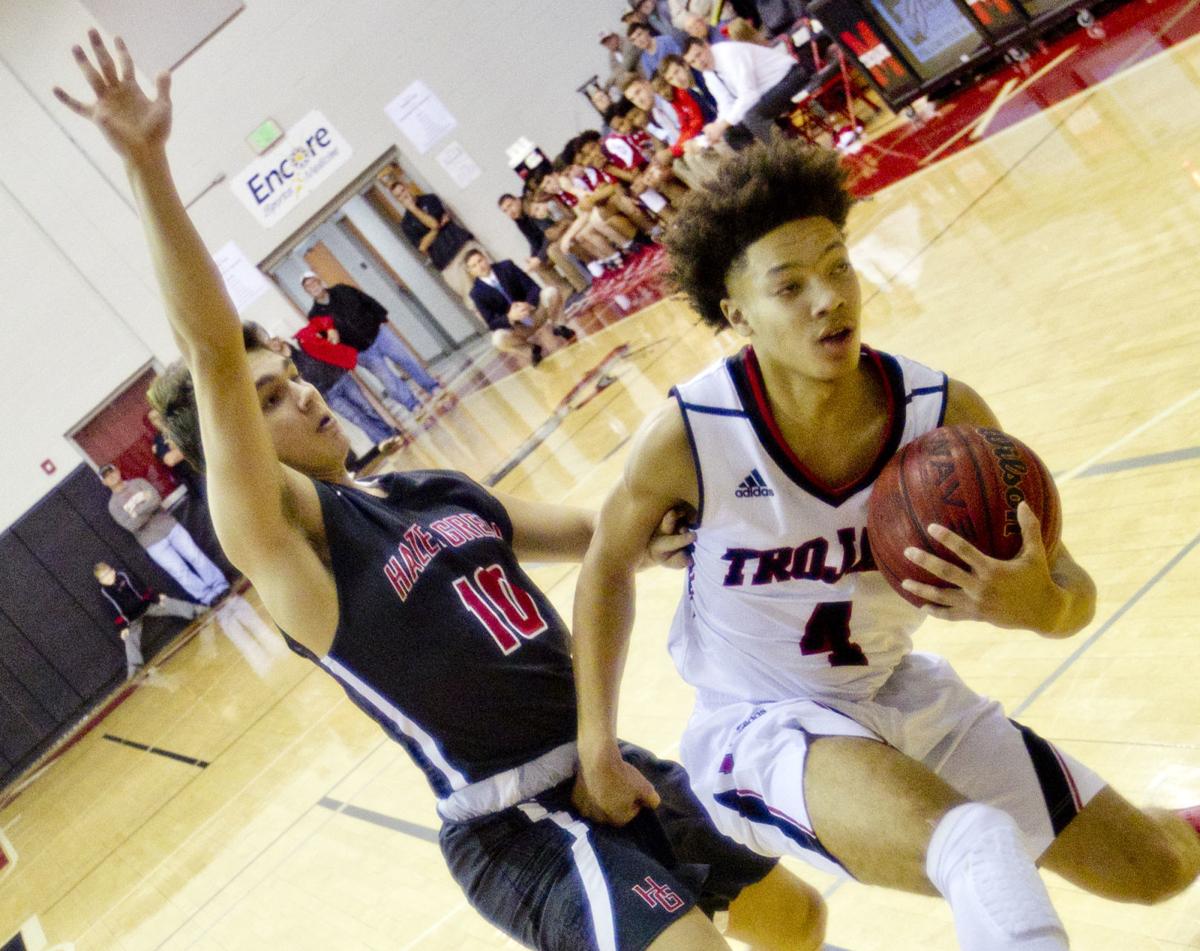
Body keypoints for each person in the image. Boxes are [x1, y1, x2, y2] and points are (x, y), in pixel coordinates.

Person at [55, 33, 828, 951]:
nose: (302, 390)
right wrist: (148, 168)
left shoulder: (424, 488)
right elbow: (213, 356)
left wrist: (693, 505)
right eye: (266, 400)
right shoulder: (294, 549)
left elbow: (591, 527)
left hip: (600, 756)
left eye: (291, 374)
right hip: (516, 825)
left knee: (797, 917)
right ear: (233, 453)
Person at [570, 140, 1200, 950]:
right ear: (737, 314)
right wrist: (598, 745)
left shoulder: (943, 412)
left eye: (839, 267)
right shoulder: (690, 436)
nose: (829, 298)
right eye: (789, 286)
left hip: (899, 692)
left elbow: (1071, 589)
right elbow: (603, 572)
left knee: (1155, 867)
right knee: (975, 844)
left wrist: (1039, 604)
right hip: (759, 728)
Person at [300, 273, 440, 414]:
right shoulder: (314, 315)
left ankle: (432, 387)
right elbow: (329, 343)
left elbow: (366, 300)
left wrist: (382, 317)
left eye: (314, 283)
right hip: (362, 353)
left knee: (406, 360)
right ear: (307, 292)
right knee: (388, 380)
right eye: (308, 287)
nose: (313, 287)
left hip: (379, 334)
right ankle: (413, 405)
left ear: (320, 282)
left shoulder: (342, 290)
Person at [100, 463, 229, 605]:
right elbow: (132, 525)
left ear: (117, 471)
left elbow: (155, 500)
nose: (111, 477)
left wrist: (136, 512)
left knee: (196, 556)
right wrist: (146, 506)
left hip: (171, 527)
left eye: (111, 472)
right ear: (103, 482)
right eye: (106, 476)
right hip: (152, 543)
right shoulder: (113, 506)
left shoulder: (138, 483)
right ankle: (208, 597)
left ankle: (221, 586)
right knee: (180, 571)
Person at [682, 36, 826, 148]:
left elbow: (749, 95)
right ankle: (764, 172)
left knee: (752, 116)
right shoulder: (708, 73)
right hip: (768, 92)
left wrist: (722, 124)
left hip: (791, 77)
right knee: (731, 133)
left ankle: (791, 159)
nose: (698, 62)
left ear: (706, 46)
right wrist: (716, 127)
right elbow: (725, 103)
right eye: (693, 62)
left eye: (699, 54)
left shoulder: (729, 53)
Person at [274, 328, 400, 449]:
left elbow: (318, 347)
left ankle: (391, 432)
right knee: (357, 418)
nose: (274, 344)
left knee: (368, 408)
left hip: (341, 379)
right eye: (271, 344)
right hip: (328, 395)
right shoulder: (283, 367)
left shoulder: (302, 346)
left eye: (275, 340)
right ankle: (385, 440)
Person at [466, 249, 576, 366]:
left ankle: (559, 326)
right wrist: (509, 317)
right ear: (471, 271)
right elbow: (492, 323)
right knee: (498, 339)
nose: (480, 266)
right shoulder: (476, 293)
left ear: (485, 258)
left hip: (535, 312)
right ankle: (531, 350)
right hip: (518, 328)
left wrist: (528, 304)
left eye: (480, 261)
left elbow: (534, 288)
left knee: (550, 292)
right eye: (474, 266)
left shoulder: (507, 266)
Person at [94, 561, 204, 678]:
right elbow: (113, 611)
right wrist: (122, 628)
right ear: (101, 581)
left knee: (166, 603)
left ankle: (196, 610)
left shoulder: (123, 577)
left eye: (108, 573)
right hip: (131, 620)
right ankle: (135, 669)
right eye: (104, 577)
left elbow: (140, 589)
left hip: (146, 606)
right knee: (129, 638)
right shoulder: (104, 593)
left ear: (113, 571)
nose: (108, 577)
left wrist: (156, 598)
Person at [389, 180, 483, 301]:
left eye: (403, 190)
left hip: (462, 245)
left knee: (490, 277)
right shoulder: (406, 224)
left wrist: (431, 228)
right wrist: (434, 227)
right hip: (447, 263)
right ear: (397, 200)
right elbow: (422, 246)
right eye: (399, 196)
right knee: (473, 299)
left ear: (407, 187)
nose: (404, 196)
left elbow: (433, 223)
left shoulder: (429, 199)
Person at [497, 192, 587, 295]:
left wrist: (539, 257)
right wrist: (533, 259)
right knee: (537, 265)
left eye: (510, 205)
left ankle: (582, 284)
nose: (510, 211)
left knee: (552, 251)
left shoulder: (530, 207)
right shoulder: (519, 219)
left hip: (561, 232)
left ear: (518, 200)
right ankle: (567, 292)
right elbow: (533, 242)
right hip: (551, 240)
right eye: (505, 211)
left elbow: (549, 234)